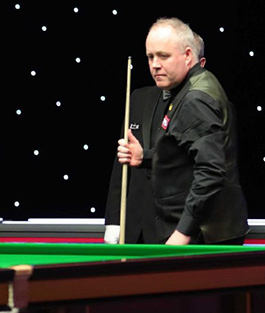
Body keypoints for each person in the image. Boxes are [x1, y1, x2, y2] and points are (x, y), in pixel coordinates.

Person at [104, 17, 249, 245]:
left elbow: (210, 172)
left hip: (205, 234)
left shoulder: (195, 98)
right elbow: (186, 156)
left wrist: (183, 232)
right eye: (150, 57)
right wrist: (145, 157)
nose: (155, 65)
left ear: (188, 55)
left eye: (164, 56)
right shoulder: (188, 88)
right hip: (207, 229)